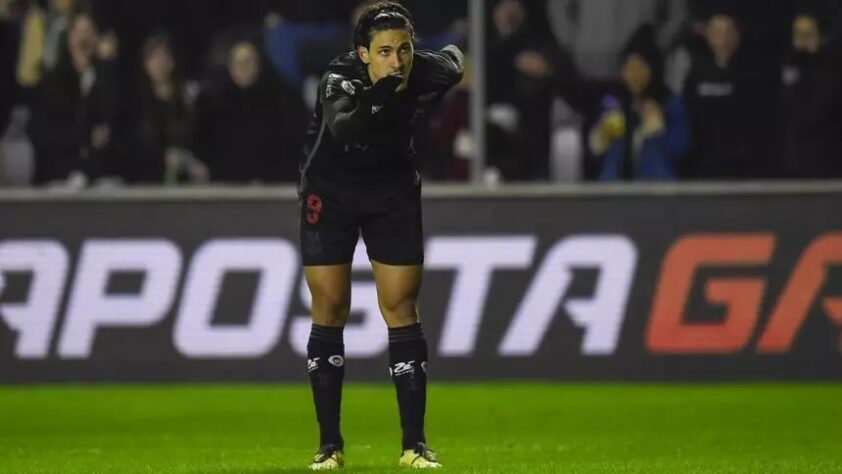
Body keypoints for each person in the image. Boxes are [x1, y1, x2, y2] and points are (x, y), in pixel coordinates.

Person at [297, 1, 462, 470]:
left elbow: (453, 60)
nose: (397, 61)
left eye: (405, 49)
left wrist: (438, 67)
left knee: (401, 306)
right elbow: (344, 128)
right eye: (385, 51)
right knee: (329, 306)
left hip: (393, 194)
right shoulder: (338, 80)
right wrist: (381, 97)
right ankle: (329, 445)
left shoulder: (423, 69)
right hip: (330, 195)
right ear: (362, 54)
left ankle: (414, 445)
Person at [589, 25, 688, 180]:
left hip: (656, 193)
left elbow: (682, 149)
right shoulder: (612, 102)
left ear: (653, 70)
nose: (635, 74)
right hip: (613, 193)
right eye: (630, 67)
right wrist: (603, 134)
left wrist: (658, 130)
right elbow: (594, 150)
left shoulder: (670, 103)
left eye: (641, 67)